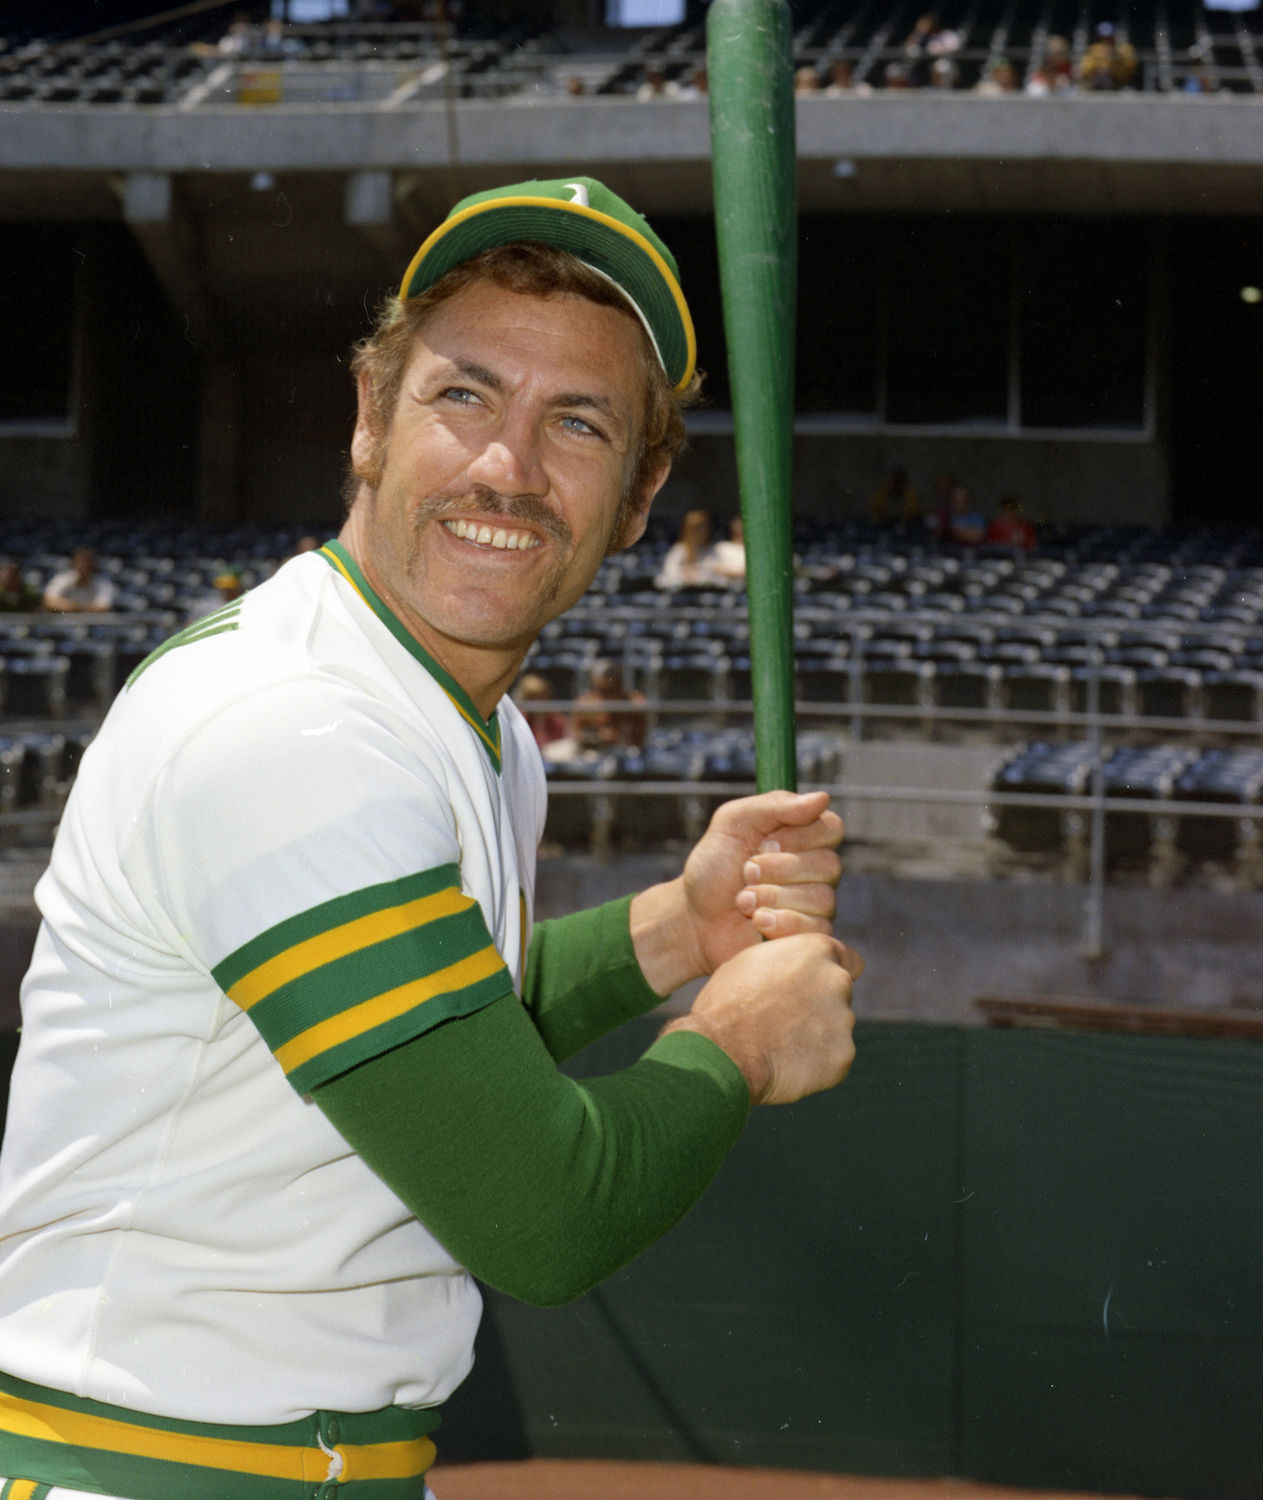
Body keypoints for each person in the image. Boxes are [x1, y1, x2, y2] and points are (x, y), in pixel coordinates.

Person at [0, 175, 862, 1499]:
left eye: (575, 424)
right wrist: (734, 1037)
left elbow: (457, 1034)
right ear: (368, 421)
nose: (504, 468)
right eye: (463, 394)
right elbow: (541, 1210)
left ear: (635, 502)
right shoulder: (290, 726)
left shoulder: (467, 725)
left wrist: (676, 931)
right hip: (144, 1464)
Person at [571, 657, 648, 752]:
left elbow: (641, 738)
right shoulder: (585, 703)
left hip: (625, 753)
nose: (607, 695)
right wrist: (598, 736)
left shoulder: (634, 702)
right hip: (592, 753)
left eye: (612, 689)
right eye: (602, 690)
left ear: (620, 684)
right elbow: (576, 735)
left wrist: (619, 736)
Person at [655, 508, 724, 589]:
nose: (704, 531)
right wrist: (686, 574)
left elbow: (717, 571)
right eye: (698, 528)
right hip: (683, 592)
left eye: (705, 527)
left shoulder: (713, 549)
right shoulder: (680, 549)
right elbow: (670, 571)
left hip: (707, 591)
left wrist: (694, 571)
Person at [41, 546, 115, 613]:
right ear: (74, 563)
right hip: (63, 622)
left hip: (93, 623)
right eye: (80, 563)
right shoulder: (62, 579)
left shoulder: (103, 583)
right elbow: (49, 602)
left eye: (87, 563)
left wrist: (74, 607)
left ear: (93, 565)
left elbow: (104, 607)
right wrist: (81, 607)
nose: (83, 566)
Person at [712, 514, 747, 584]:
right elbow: (714, 568)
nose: (739, 529)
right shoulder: (721, 547)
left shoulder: (755, 550)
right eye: (737, 525)